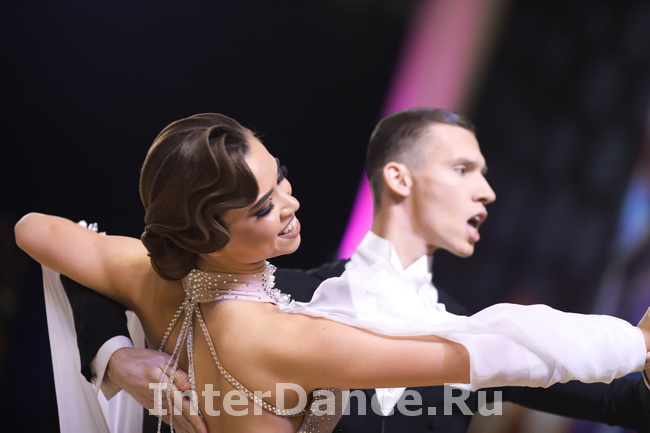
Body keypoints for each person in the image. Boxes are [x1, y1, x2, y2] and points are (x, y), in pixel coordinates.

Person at [16, 112, 650, 433]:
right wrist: (629, 341)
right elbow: (488, 352)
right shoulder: (291, 325)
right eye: (462, 170)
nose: (289, 203)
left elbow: (37, 229)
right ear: (399, 178)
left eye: (281, 177)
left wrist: (117, 357)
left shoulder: (161, 277)